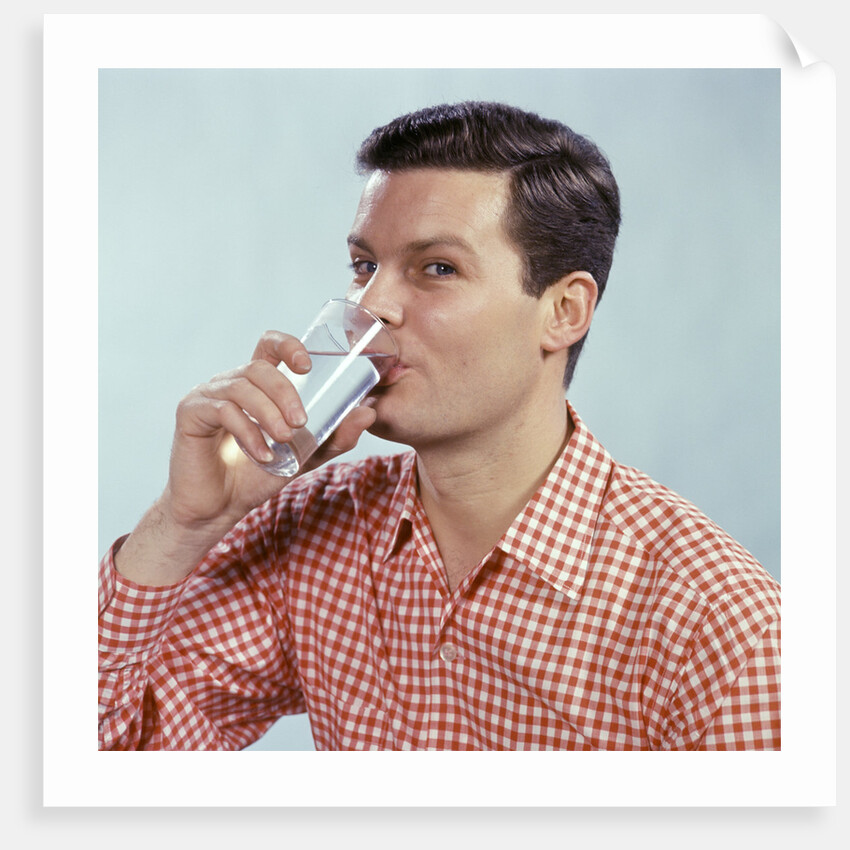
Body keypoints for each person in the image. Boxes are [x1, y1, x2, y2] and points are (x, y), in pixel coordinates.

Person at [98, 101, 780, 751]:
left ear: (564, 312)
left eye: (438, 268)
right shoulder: (310, 530)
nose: (373, 305)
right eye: (365, 266)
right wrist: (182, 525)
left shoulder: (722, 628)